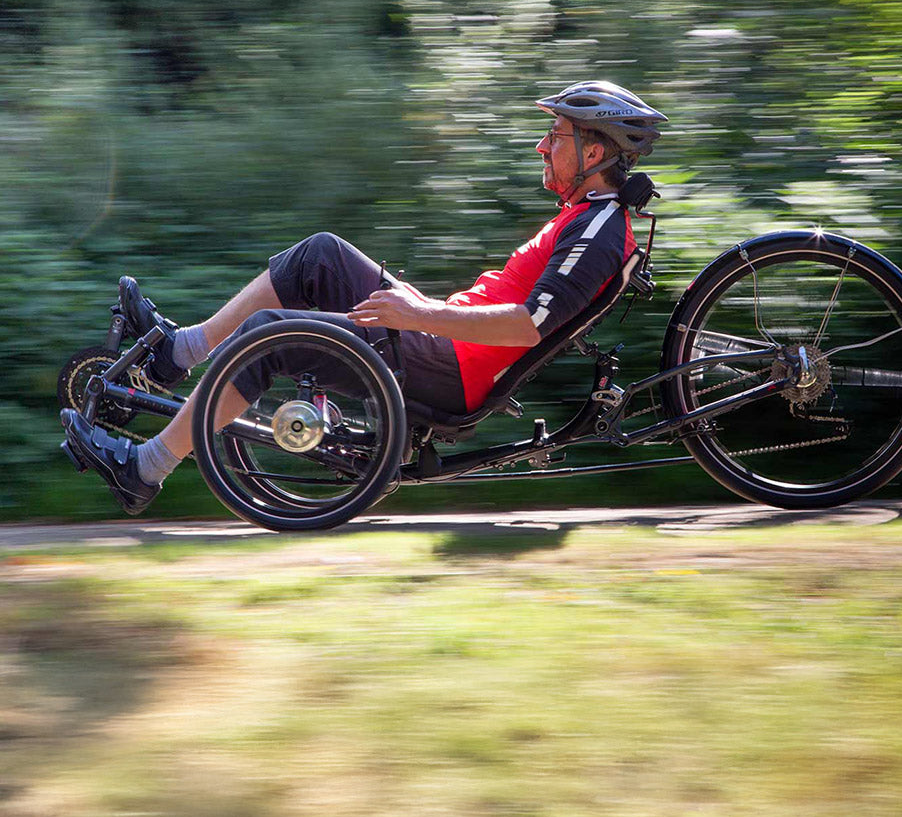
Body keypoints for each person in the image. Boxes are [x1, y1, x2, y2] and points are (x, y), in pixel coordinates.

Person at [61, 81, 666, 515]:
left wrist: (414, 313)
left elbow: (527, 325)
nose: (541, 146)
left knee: (268, 336)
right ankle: (175, 353)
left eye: (554, 135)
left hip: (447, 364)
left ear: (593, 153)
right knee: (320, 255)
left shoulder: (599, 228)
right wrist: (419, 311)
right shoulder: (581, 216)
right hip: (438, 338)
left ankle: (144, 468)